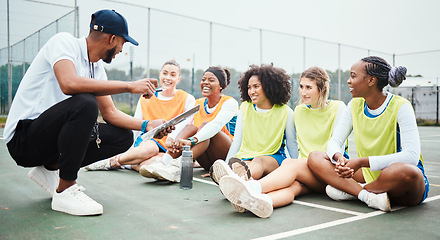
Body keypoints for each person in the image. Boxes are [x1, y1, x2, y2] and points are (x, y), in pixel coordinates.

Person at [3, 9, 171, 216]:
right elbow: (69, 83)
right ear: (112, 39)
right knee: (85, 102)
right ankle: (66, 189)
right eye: (122, 43)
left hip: (48, 141)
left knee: (121, 137)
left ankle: (50, 168)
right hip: (23, 139)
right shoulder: (64, 43)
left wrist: (148, 125)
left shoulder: (96, 68)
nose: (121, 50)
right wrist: (129, 86)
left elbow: (110, 113)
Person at [218, 66, 346, 218]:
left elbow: (338, 146)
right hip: (307, 172)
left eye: (308, 87)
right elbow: (295, 147)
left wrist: (297, 163)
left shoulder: (339, 107)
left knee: (289, 165)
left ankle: (250, 187)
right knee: (293, 188)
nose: (303, 92)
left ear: (322, 88)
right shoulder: (299, 111)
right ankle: (259, 202)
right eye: (301, 87)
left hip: (328, 170)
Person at [307, 56, 429, 212]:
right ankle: (366, 195)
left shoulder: (401, 106)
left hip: (405, 182)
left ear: (371, 80)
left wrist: (361, 162)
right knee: (315, 157)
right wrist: (339, 159)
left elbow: (411, 156)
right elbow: (334, 142)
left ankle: (354, 191)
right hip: (370, 174)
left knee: (405, 171)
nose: (348, 81)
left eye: (353, 76)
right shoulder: (354, 105)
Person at [84, 60, 195, 172]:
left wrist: (171, 141)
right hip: (149, 142)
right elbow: (137, 123)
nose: (168, 78)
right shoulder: (146, 97)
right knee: (151, 148)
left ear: (178, 79)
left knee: (152, 164)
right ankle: (112, 161)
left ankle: (130, 164)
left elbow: (186, 125)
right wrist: (131, 148)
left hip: (170, 146)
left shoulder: (187, 99)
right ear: (160, 75)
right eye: (165, 73)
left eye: (173, 75)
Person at [140, 66, 239, 182]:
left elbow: (215, 125)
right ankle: (164, 162)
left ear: (221, 86)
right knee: (190, 127)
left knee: (205, 126)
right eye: (203, 79)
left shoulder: (230, 103)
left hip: (227, 158)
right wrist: (171, 139)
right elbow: (183, 123)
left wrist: (192, 140)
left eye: (211, 80)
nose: (205, 83)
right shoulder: (198, 103)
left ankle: (177, 166)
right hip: (207, 160)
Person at [211, 64, 297, 183]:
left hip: (273, 158)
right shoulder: (245, 108)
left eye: (256, 86)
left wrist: (296, 169)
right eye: (249, 87)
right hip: (246, 157)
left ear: (269, 86)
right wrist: (226, 164)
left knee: (258, 161)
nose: (252, 91)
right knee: (242, 165)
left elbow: (292, 145)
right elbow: (237, 142)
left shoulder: (286, 112)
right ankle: (231, 178)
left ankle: (235, 180)